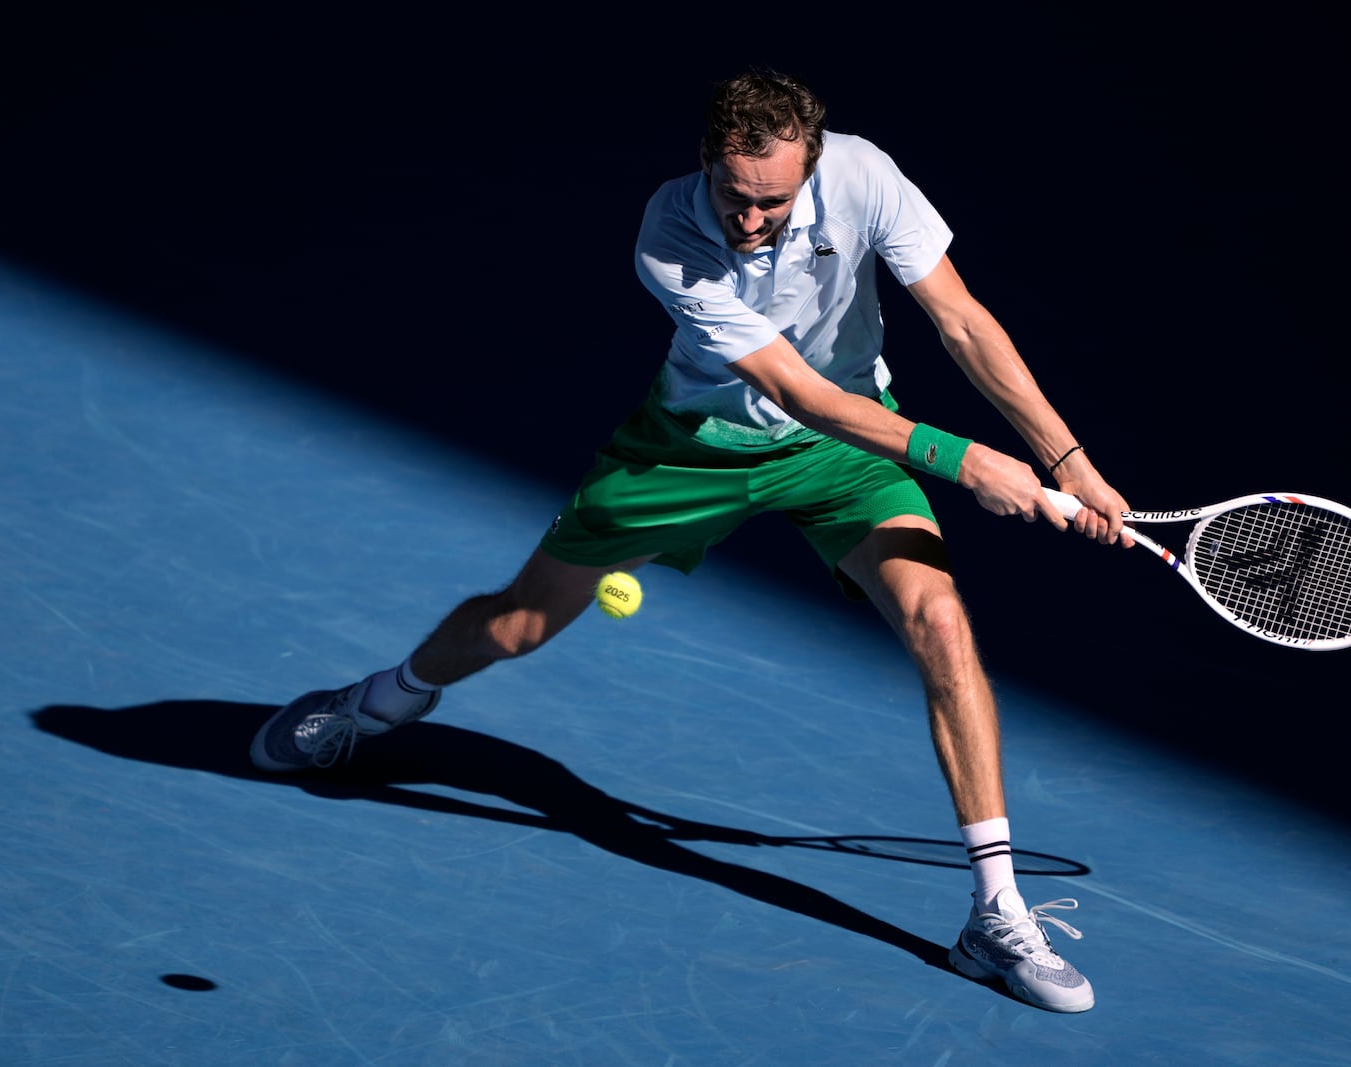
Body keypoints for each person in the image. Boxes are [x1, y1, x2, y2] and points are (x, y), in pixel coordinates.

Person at [250, 68, 1133, 1014]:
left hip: (841, 455)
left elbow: (960, 320)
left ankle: (993, 915)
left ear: (816, 167)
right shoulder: (670, 232)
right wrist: (967, 461)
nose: (750, 220)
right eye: (734, 195)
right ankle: (380, 702)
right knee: (515, 626)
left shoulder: (867, 178)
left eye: (774, 201)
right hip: (692, 451)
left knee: (941, 624)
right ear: (704, 164)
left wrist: (1066, 458)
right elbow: (797, 389)